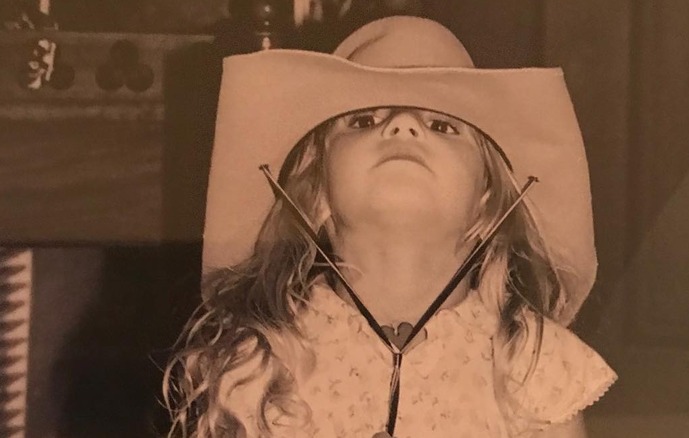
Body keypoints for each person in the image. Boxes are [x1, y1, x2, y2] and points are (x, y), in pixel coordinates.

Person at [163, 15, 617, 438]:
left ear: (487, 201)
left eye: (442, 125)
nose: (403, 126)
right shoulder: (260, 361)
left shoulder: (535, 362)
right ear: (316, 191)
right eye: (363, 120)